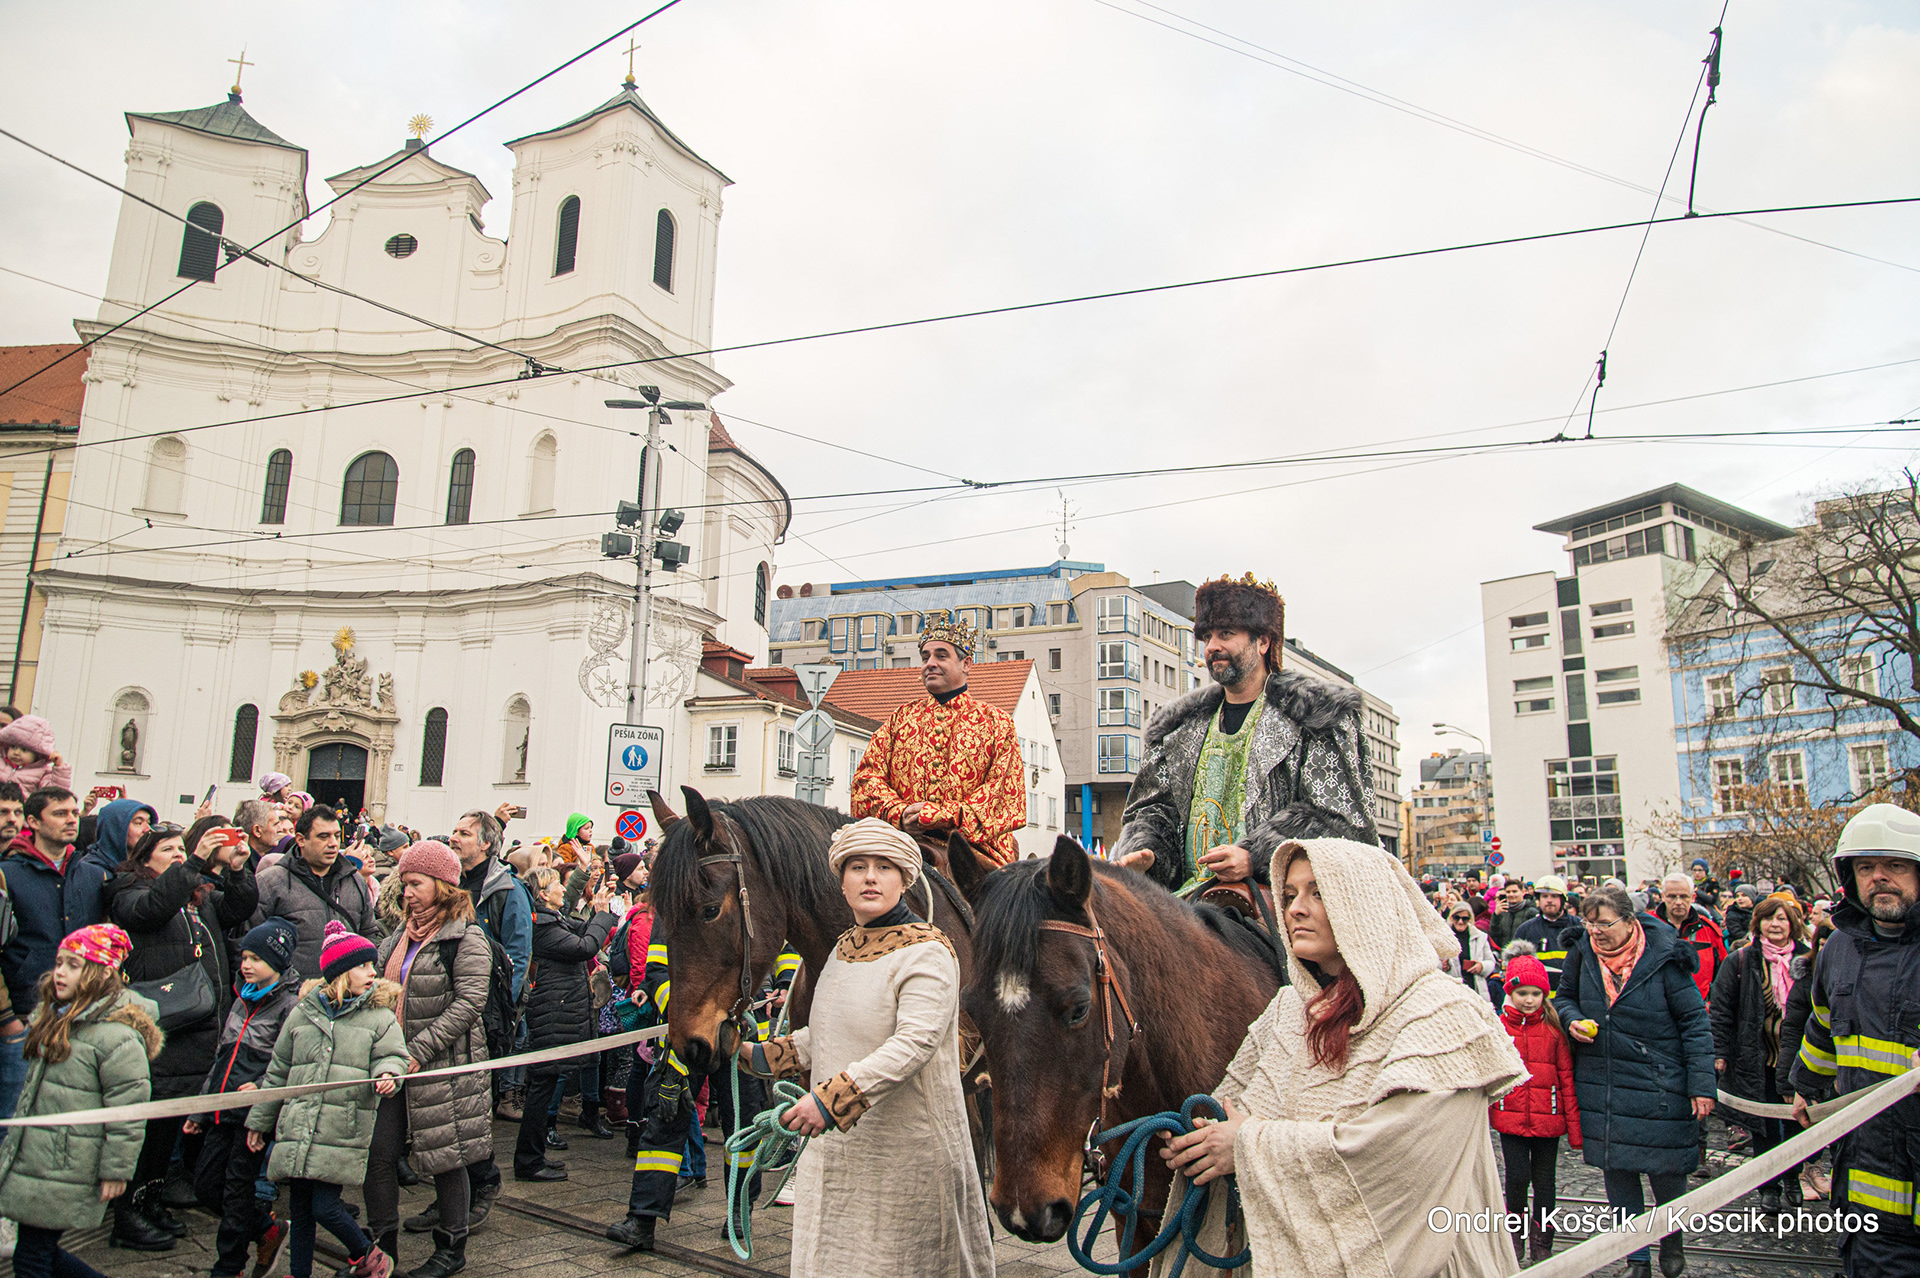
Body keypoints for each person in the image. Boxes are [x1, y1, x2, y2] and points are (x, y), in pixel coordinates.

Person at [1158, 837, 1526, 1276]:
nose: (1294, 909)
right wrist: (1198, 1137)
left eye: (1318, 893)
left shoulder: (1443, 1013)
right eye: (1289, 894)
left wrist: (1247, 1147)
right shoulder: (1290, 1008)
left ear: (1367, 905)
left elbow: (1402, 1160)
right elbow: (1233, 1107)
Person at [734, 819, 992, 1277]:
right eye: (858, 867)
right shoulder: (841, 949)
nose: (870, 877)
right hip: (841, 1153)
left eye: (884, 867)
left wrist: (829, 1101)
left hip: (907, 1158)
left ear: (904, 880)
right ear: (842, 882)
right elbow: (830, 1031)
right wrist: (759, 1055)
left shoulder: (928, 952)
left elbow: (914, 1043)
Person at [1115, 574, 1379, 894]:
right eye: (1207, 636)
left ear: (1263, 642)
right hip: (1186, 902)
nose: (1212, 646)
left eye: (1226, 633)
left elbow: (1339, 818)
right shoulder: (1177, 730)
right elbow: (1151, 810)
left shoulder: (1318, 717)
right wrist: (1149, 853)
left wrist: (1257, 855)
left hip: (1279, 902)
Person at [104, 818, 258, 1247]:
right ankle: (127, 1214)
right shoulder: (127, 889)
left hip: (196, 1025)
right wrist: (191, 862)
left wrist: (238, 870)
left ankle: (151, 1200)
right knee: (146, 1126)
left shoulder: (196, 895)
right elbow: (151, 909)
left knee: (167, 1124)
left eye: (180, 850)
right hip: (159, 1023)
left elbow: (237, 909)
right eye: (168, 850)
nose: (177, 857)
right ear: (145, 857)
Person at [1554, 885, 1715, 1278]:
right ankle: (1636, 1259)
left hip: (1660, 1085)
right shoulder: (1582, 953)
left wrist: (1701, 1085)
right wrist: (1572, 1020)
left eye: (1604, 924)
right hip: (1605, 1084)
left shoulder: (1665, 957)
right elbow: (1564, 998)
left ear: (1629, 921)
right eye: (1589, 924)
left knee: (1667, 1173)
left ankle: (1671, 1241)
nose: (1595, 932)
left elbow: (1695, 1023)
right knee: (1619, 1175)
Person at [1787, 803, 1920, 1277]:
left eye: (1895, 865)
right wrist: (1806, 1086)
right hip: (1867, 1184)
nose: (1879, 877)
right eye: (1866, 867)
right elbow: (1824, 1025)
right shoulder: (1839, 948)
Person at [246, 921, 409, 1278]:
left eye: (372, 965)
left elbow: (394, 1055)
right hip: (298, 1127)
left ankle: (368, 1254)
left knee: (324, 1207)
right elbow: (278, 1071)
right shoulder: (302, 1013)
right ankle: (298, 1273)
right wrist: (259, 1121)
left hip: (339, 1129)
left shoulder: (379, 1016)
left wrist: (387, 1074)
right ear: (339, 973)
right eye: (363, 965)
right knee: (301, 1211)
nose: (372, 972)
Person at [0, 923, 158, 1278]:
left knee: (32, 1257)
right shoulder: (55, 1019)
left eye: (73, 965)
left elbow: (129, 1112)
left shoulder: (117, 1037)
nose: (60, 972)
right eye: (59, 963)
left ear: (102, 973)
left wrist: (116, 1170)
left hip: (68, 1163)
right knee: (37, 1252)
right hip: (37, 1158)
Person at [365, 841, 491, 1278]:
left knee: (445, 1157)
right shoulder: (397, 939)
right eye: (404, 884)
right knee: (379, 1156)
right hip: (392, 1066)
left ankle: (451, 1249)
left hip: (443, 1066)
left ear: (442, 885)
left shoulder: (465, 937)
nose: (407, 893)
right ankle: (381, 1250)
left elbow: (470, 1002)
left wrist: (417, 1052)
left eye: (416, 883)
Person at [850, 610, 1026, 868]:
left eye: (941, 656)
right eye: (925, 657)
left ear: (966, 664)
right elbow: (865, 780)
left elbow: (1003, 796)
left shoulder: (997, 723)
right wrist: (899, 813)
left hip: (975, 854)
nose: (930, 663)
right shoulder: (900, 718)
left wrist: (942, 816)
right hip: (903, 844)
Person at [186, 917, 301, 1278]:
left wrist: (262, 1094)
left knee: (237, 1189)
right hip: (222, 1109)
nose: (246, 964)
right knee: (206, 1185)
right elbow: (221, 1059)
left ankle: (229, 1266)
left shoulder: (289, 1007)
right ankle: (266, 1228)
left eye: (256, 958)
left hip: (252, 1116)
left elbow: (286, 1064)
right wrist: (200, 1110)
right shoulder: (240, 999)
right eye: (245, 957)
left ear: (277, 962)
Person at [0, 788, 101, 1119]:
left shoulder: (91, 874)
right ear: (33, 821)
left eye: (74, 812)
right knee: (12, 1120)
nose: (71, 820)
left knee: (61, 1118)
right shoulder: (8, 874)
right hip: (25, 1015)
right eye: (60, 814)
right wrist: (8, 1019)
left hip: (79, 1015)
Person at [1710, 895, 1810, 1217]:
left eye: (1782, 918)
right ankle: (1768, 1186)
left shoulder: (1809, 960)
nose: (1775, 924)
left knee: (1797, 1120)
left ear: (1792, 924)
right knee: (1764, 1124)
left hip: (1799, 1059)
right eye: (1769, 918)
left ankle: (1793, 1176)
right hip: (1757, 1058)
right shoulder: (1740, 961)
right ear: (1758, 923)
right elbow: (1721, 1009)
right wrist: (1720, 1051)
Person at [515, 867, 616, 1182]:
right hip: (552, 1013)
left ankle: (534, 1154)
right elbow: (584, 947)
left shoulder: (552, 920)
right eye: (557, 883)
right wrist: (602, 914)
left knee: (545, 1087)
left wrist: (599, 911)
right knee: (541, 1088)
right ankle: (528, 1161)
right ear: (544, 894)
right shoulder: (543, 926)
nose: (563, 888)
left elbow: (583, 930)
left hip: (557, 1012)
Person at [1491, 953, 1581, 1263]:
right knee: (1516, 1179)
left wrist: (1575, 1130)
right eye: (1522, 993)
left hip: (1548, 1120)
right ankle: (1514, 1238)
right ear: (1510, 993)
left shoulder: (1554, 1031)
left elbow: (1566, 1078)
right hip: (1511, 1119)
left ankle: (1543, 1242)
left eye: (1535, 993)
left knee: (1545, 1184)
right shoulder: (1499, 1029)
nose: (1529, 1000)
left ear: (1544, 994)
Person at [251, 806, 377, 978]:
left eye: (336, 835)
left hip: (346, 990)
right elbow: (251, 945)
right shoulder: (270, 882)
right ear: (301, 840)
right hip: (293, 991)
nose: (333, 843)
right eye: (323, 836)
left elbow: (368, 934)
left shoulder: (355, 880)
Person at [1655, 872, 1726, 1007]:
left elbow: (1724, 976)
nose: (1678, 902)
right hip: (1659, 1011)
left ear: (1693, 897)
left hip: (1701, 1009)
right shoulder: (1647, 928)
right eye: (1672, 896)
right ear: (1663, 897)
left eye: (1683, 896)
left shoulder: (1709, 931)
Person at [1514, 875, 1584, 989]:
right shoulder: (1525, 930)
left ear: (1563, 900)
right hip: (1538, 996)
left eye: (1554, 896)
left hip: (1573, 994)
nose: (1549, 900)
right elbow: (1515, 967)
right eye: (1545, 896)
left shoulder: (1579, 927)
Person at [0, 717, 70, 795]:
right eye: (13, 747)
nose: (16, 753)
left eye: (24, 750)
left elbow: (54, 793)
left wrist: (59, 769)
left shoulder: (42, 772)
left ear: (37, 754)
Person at [1440, 901, 1497, 997]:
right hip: (1451, 990)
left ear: (1470, 919)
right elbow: (1432, 963)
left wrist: (1481, 966)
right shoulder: (1442, 937)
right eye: (1457, 917)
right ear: (1451, 917)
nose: (1460, 922)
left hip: (1475, 988)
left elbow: (1491, 962)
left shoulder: (1480, 937)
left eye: (1465, 919)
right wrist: (1441, 966)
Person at [1489, 878, 1536, 952]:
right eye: (1508, 892)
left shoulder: (1531, 912)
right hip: (1505, 954)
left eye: (1514, 891)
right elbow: (1494, 937)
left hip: (1524, 955)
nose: (1511, 894)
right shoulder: (1503, 911)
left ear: (1523, 892)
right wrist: (1496, 916)